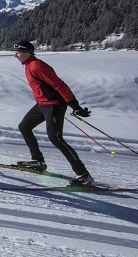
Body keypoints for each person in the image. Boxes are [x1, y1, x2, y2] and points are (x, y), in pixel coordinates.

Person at [12, 41, 95, 187]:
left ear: (27, 52)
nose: (15, 55)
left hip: (53, 105)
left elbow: (59, 85)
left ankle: (83, 175)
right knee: (24, 127)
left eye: (18, 52)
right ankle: (38, 161)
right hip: (42, 104)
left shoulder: (37, 66)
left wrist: (75, 106)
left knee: (55, 138)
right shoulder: (28, 65)